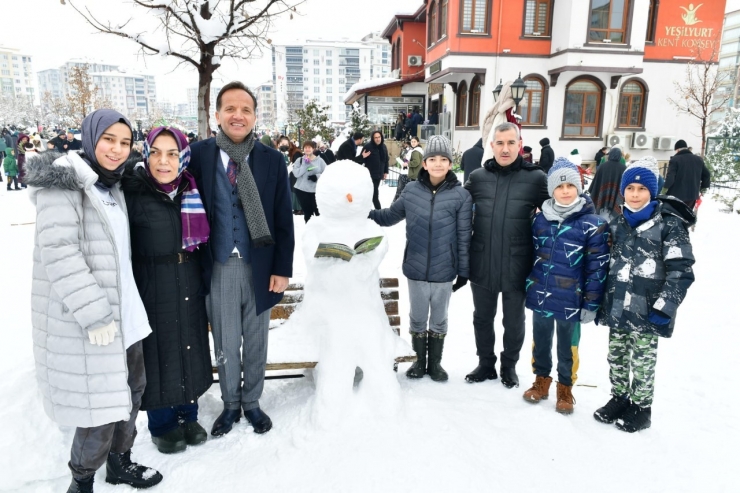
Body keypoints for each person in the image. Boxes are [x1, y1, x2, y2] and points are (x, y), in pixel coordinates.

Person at [25, 109, 162, 492]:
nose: (117, 150)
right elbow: (60, 253)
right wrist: (95, 315)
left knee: (131, 392)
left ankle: (119, 462)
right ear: (89, 138)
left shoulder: (111, 186)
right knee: (98, 407)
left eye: (124, 142)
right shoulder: (65, 186)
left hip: (126, 316)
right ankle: (81, 480)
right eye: (108, 140)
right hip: (91, 321)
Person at [187, 81, 295, 437]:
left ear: (254, 116)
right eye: (230, 109)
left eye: (245, 109)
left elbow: (283, 217)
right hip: (218, 264)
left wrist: (282, 268)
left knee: (256, 338)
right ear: (216, 115)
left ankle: (252, 402)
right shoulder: (198, 155)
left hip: (260, 265)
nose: (238, 115)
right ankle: (230, 404)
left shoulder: (272, 159)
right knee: (225, 340)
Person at [121, 126, 213, 455]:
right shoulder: (132, 190)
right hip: (150, 282)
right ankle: (162, 424)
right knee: (157, 352)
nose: (164, 161)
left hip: (188, 277)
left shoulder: (190, 189)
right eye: (156, 153)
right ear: (146, 155)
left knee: (189, 344)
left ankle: (188, 416)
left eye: (172, 154)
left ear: (183, 158)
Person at [594, 157, 696, 433]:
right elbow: (606, 265)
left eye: (642, 189)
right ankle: (619, 397)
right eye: (630, 189)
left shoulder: (669, 226)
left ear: (652, 192)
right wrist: (598, 301)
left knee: (642, 361)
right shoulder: (617, 223)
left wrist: (665, 307)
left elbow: (681, 270)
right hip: (617, 307)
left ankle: (641, 407)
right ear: (623, 191)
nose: (635, 194)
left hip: (649, 310)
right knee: (616, 356)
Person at [370, 135, 472, 382]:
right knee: (417, 317)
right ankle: (418, 363)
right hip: (415, 267)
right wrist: (362, 212)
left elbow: (463, 236)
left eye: (444, 159)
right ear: (424, 163)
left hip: (444, 269)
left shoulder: (461, 196)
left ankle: (435, 364)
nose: (438, 164)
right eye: (433, 159)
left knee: (438, 318)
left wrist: (464, 271)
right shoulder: (411, 190)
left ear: (450, 164)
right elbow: (390, 216)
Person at [464, 122, 549, 388]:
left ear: (519, 145)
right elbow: (456, 207)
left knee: (513, 320)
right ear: (492, 146)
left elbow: (556, 210)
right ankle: (485, 363)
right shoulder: (478, 177)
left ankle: (509, 365)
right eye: (499, 143)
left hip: (517, 262)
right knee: (482, 317)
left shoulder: (536, 178)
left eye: (511, 143)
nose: (505, 148)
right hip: (482, 260)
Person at [522, 158, 609, 414]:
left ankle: (565, 387)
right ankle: (541, 380)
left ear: (579, 188)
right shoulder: (539, 221)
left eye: (571, 185)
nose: (566, 191)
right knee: (540, 339)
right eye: (560, 187)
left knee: (567, 344)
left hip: (573, 298)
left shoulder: (593, 224)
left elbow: (597, 268)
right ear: (551, 190)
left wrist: (591, 303)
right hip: (541, 294)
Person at [663, 139, 711, 209]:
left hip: (676, 196)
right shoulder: (698, 159)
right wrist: (703, 187)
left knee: (676, 216)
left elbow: (670, 176)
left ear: (678, 150)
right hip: (692, 196)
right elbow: (707, 174)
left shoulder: (675, 160)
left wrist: (665, 188)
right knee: (687, 215)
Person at [588, 147, 627, 222]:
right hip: (615, 196)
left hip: (602, 196)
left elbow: (596, 182)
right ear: (619, 156)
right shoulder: (623, 168)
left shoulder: (603, 166)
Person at [292, 140, 326, 223]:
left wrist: (317, 176)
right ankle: (309, 231)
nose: (307, 149)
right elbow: (296, 174)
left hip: (316, 191)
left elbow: (327, 173)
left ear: (313, 149)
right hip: (302, 190)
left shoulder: (320, 161)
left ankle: (321, 232)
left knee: (318, 212)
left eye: (309, 147)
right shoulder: (299, 160)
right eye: (305, 147)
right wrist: (305, 164)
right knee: (308, 213)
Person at [362, 130, 390, 210]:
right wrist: (362, 157)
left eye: (379, 137)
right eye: (376, 138)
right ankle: (379, 213)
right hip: (370, 175)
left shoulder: (383, 147)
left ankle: (367, 211)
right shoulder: (368, 147)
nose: (378, 139)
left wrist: (385, 172)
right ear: (373, 139)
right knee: (374, 195)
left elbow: (385, 160)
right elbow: (361, 160)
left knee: (373, 194)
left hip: (378, 175)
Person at [393, 136, 423, 202]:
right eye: (412, 141)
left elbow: (416, 162)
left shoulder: (415, 151)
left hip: (409, 174)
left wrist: (407, 163)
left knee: (401, 192)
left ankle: (395, 206)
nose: (413, 143)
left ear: (418, 142)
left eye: (414, 141)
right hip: (410, 173)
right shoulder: (414, 150)